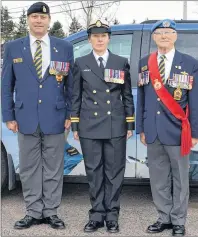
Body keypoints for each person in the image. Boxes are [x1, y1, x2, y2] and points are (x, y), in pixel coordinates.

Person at [1, 2, 74, 230]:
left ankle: (51, 212)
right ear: (28, 20)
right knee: (30, 167)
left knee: (53, 167)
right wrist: (8, 116)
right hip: (25, 118)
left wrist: (70, 114)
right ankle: (33, 212)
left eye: (42, 17)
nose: (38, 21)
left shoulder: (64, 47)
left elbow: (70, 86)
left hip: (55, 116)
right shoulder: (13, 47)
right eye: (34, 17)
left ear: (49, 20)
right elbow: (6, 84)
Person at [71, 19, 135, 233]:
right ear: (89, 40)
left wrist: (129, 123)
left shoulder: (120, 61)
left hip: (114, 124)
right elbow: (75, 96)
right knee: (94, 171)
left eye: (103, 36)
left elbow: (126, 95)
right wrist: (75, 125)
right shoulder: (80, 63)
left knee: (114, 172)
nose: (99, 39)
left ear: (109, 38)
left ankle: (112, 215)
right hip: (89, 125)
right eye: (95, 36)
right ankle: (97, 214)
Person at [136, 19, 198, 236]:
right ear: (154, 37)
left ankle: (179, 221)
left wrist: (195, 133)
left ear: (175, 36)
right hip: (152, 131)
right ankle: (163, 218)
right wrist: (141, 128)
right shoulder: (145, 62)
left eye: (168, 32)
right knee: (158, 178)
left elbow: (195, 101)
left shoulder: (189, 63)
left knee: (180, 178)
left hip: (178, 131)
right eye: (160, 32)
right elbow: (142, 98)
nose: (164, 36)